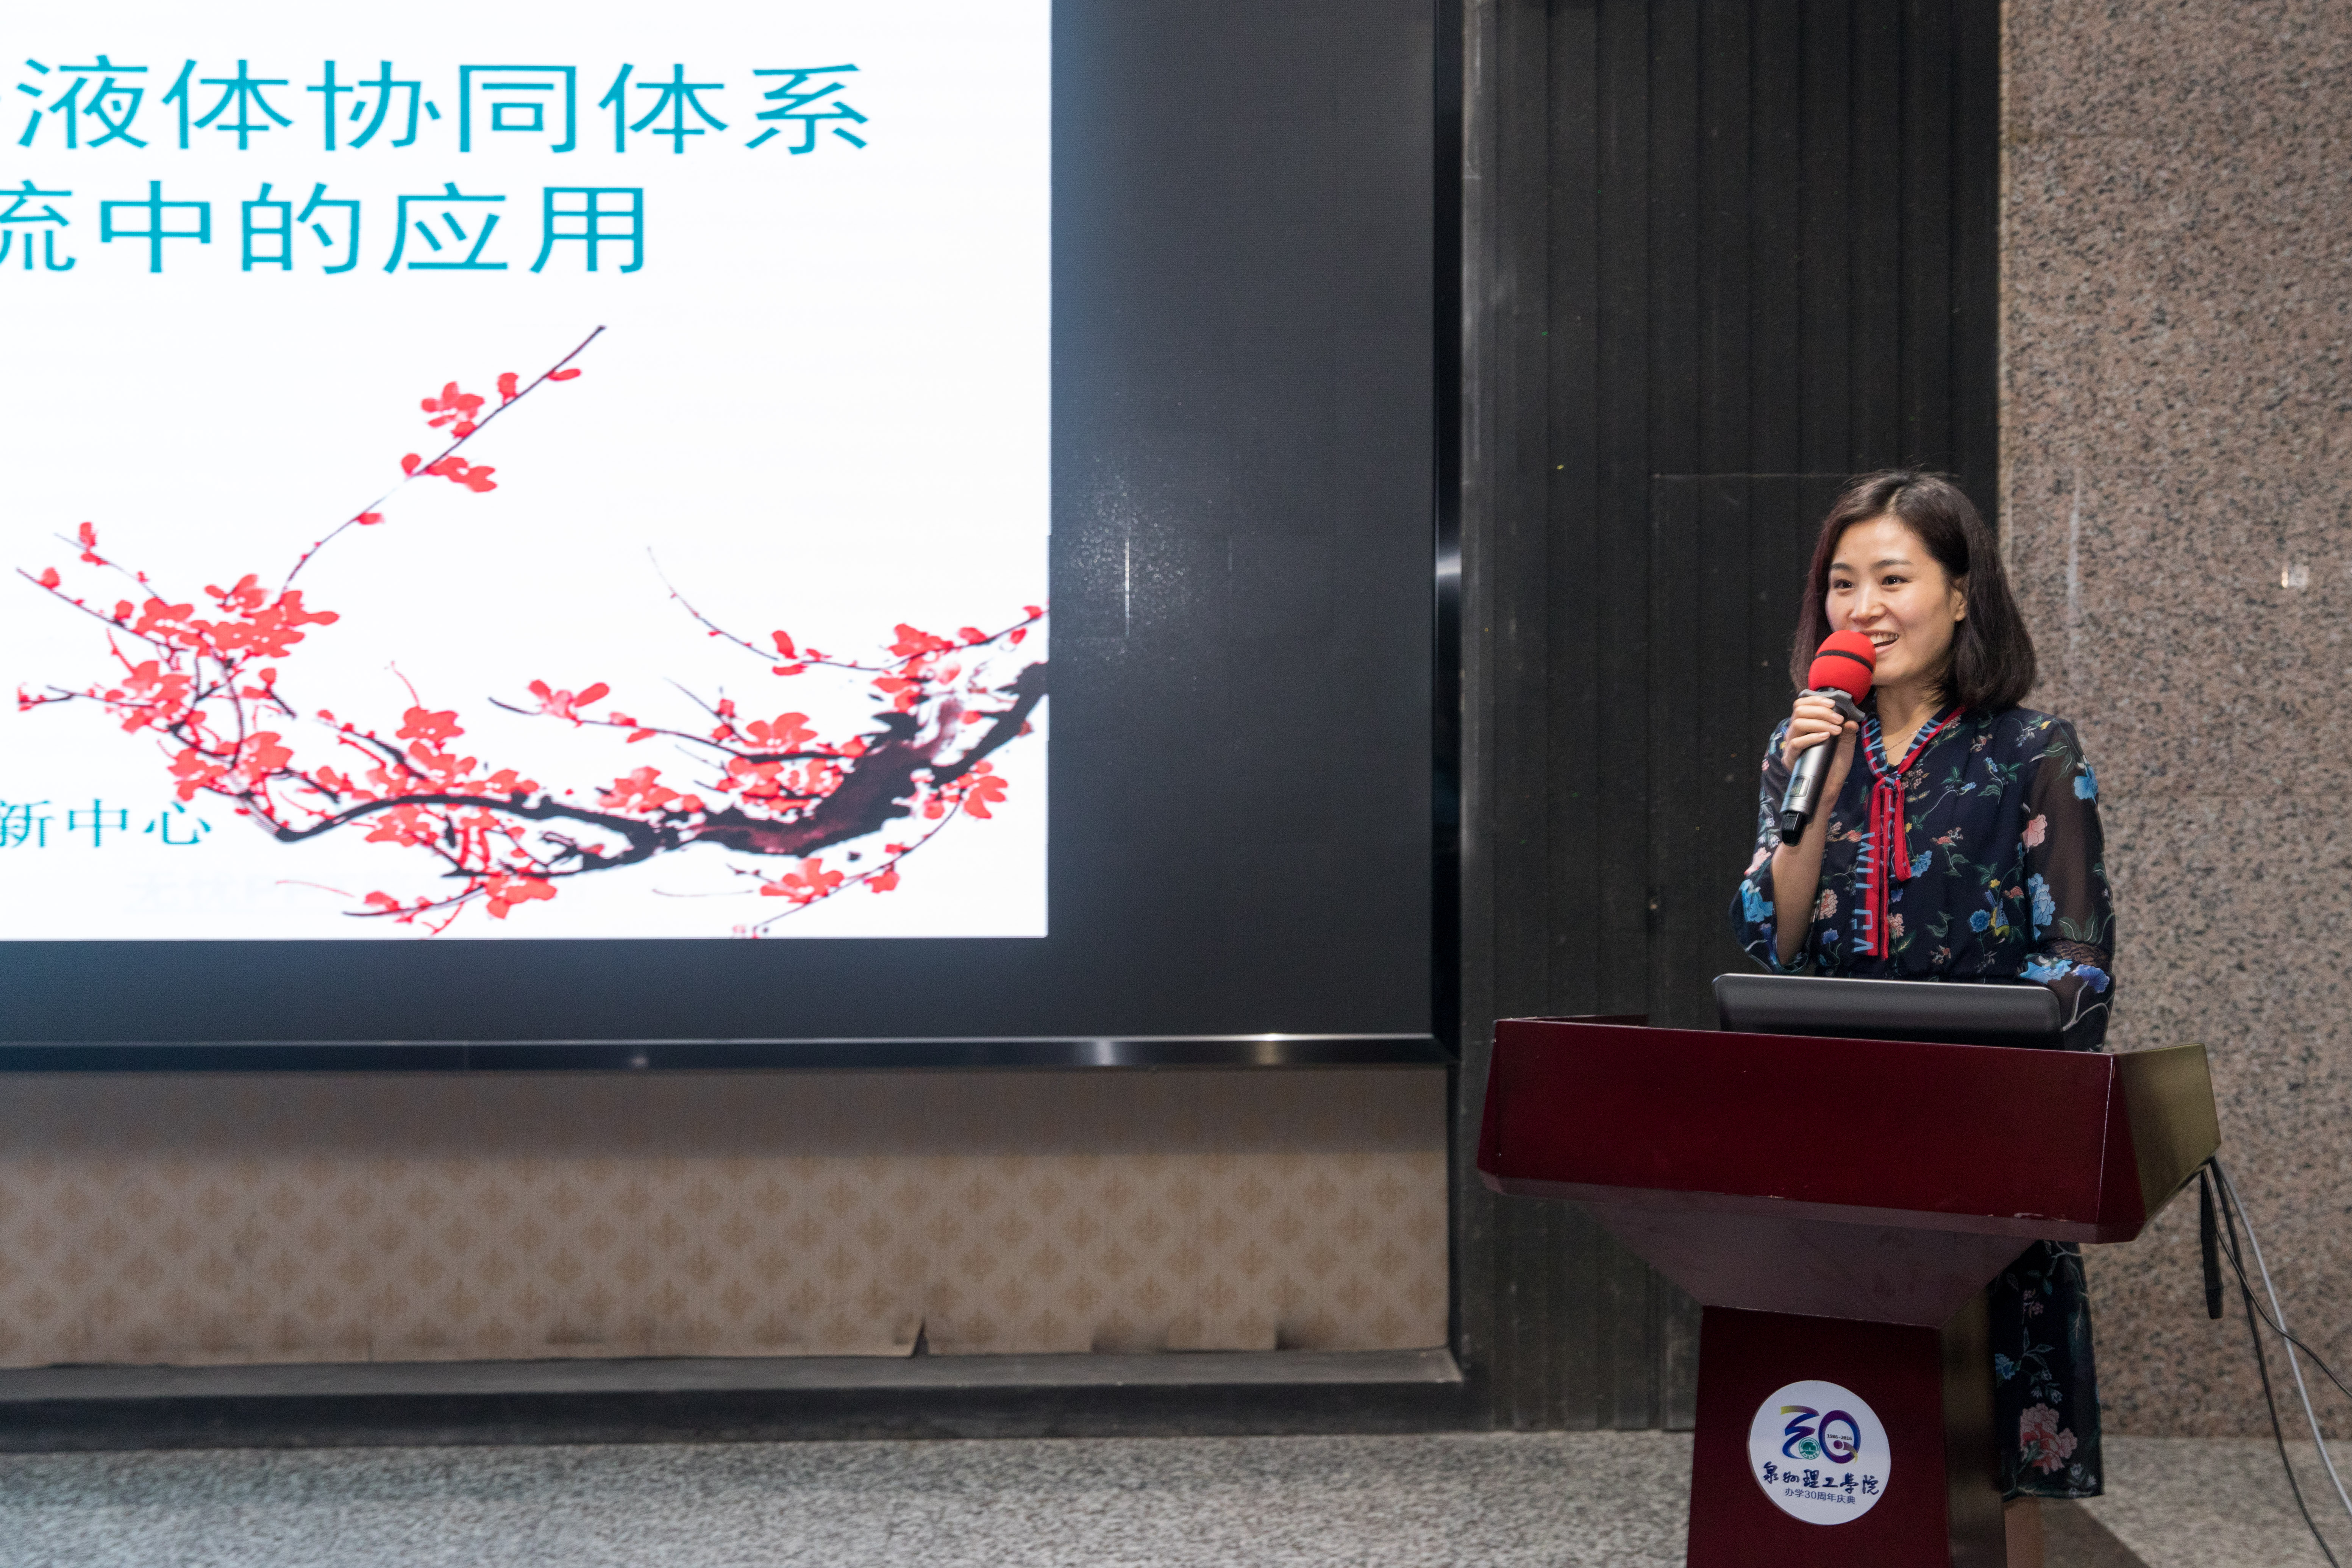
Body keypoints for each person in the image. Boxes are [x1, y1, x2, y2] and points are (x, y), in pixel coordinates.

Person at [1728, 470, 2113, 1568]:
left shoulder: (2032, 751)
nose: (1863, 608)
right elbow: (1771, 943)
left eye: (1893, 579)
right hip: (1831, 1144)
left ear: (1960, 594)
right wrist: (1817, 785)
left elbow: (2077, 965)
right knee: (1837, 1432)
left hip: (1981, 1152)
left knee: (1992, 1454)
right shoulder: (1801, 745)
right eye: (1842, 583)